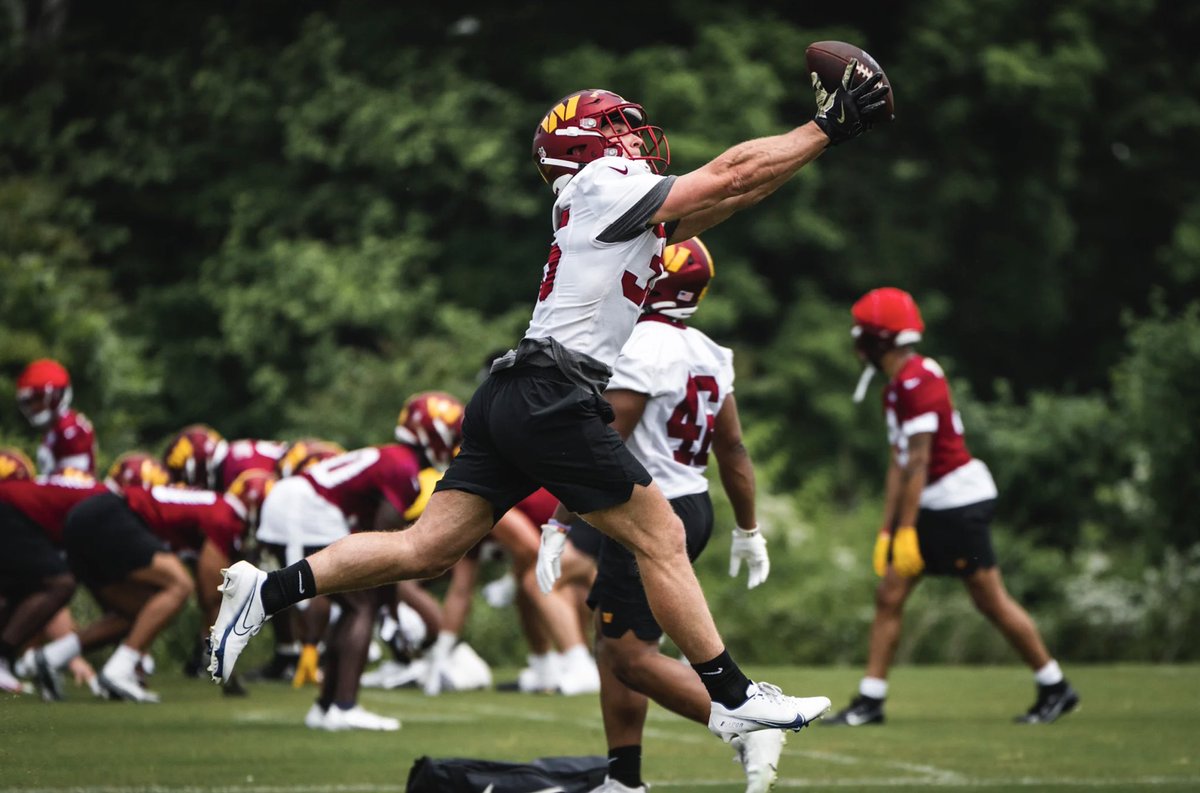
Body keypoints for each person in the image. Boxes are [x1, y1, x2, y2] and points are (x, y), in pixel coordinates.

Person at [210, 65, 891, 745]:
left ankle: (266, 591)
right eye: (620, 126)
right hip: (553, 392)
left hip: (514, 390)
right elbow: (733, 174)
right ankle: (735, 695)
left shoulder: (613, 207)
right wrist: (825, 125)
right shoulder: (602, 183)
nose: (636, 139)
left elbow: (740, 193)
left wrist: (826, 140)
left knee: (426, 547)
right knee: (662, 535)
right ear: (586, 143)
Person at [541, 237, 780, 793]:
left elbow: (604, 442)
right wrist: (748, 527)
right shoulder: (710, 352)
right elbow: (735, 452)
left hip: (647, 510)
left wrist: (559, 518)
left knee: (630, 657)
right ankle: (624, 779)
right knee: (615, 644)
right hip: (689, 503)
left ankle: (745, 721)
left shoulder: (642, 346)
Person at [824, 287, 1080, 727]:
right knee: (890, 594)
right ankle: (871, 700)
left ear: (879, 340)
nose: (856, 344)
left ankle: (1054, 685)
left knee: (990, 600)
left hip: (956, 503)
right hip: (928, 504)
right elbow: (898, 463)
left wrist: (906, 529)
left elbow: (920, 461)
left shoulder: (917, 381)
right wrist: (888, 530)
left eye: (862, 335)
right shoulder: (897, 385)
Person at [253, 391, 464, 731]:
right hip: (306, 508)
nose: (456, 444)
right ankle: (344, 705)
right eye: (454, 435)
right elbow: (384, 550)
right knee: (360, 606)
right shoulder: (404, 469)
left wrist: (390, 609)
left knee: (354, 605)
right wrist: (390, 612)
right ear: (433, 433)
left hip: (295, 502)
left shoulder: (394, 458)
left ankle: (326, 706)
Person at [16, 358, 96, 476]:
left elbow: (74, 483)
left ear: (56, 396)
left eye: (39, 398)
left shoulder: (70, 430)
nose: (34, 406)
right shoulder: (55, 429)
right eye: (30, 401)